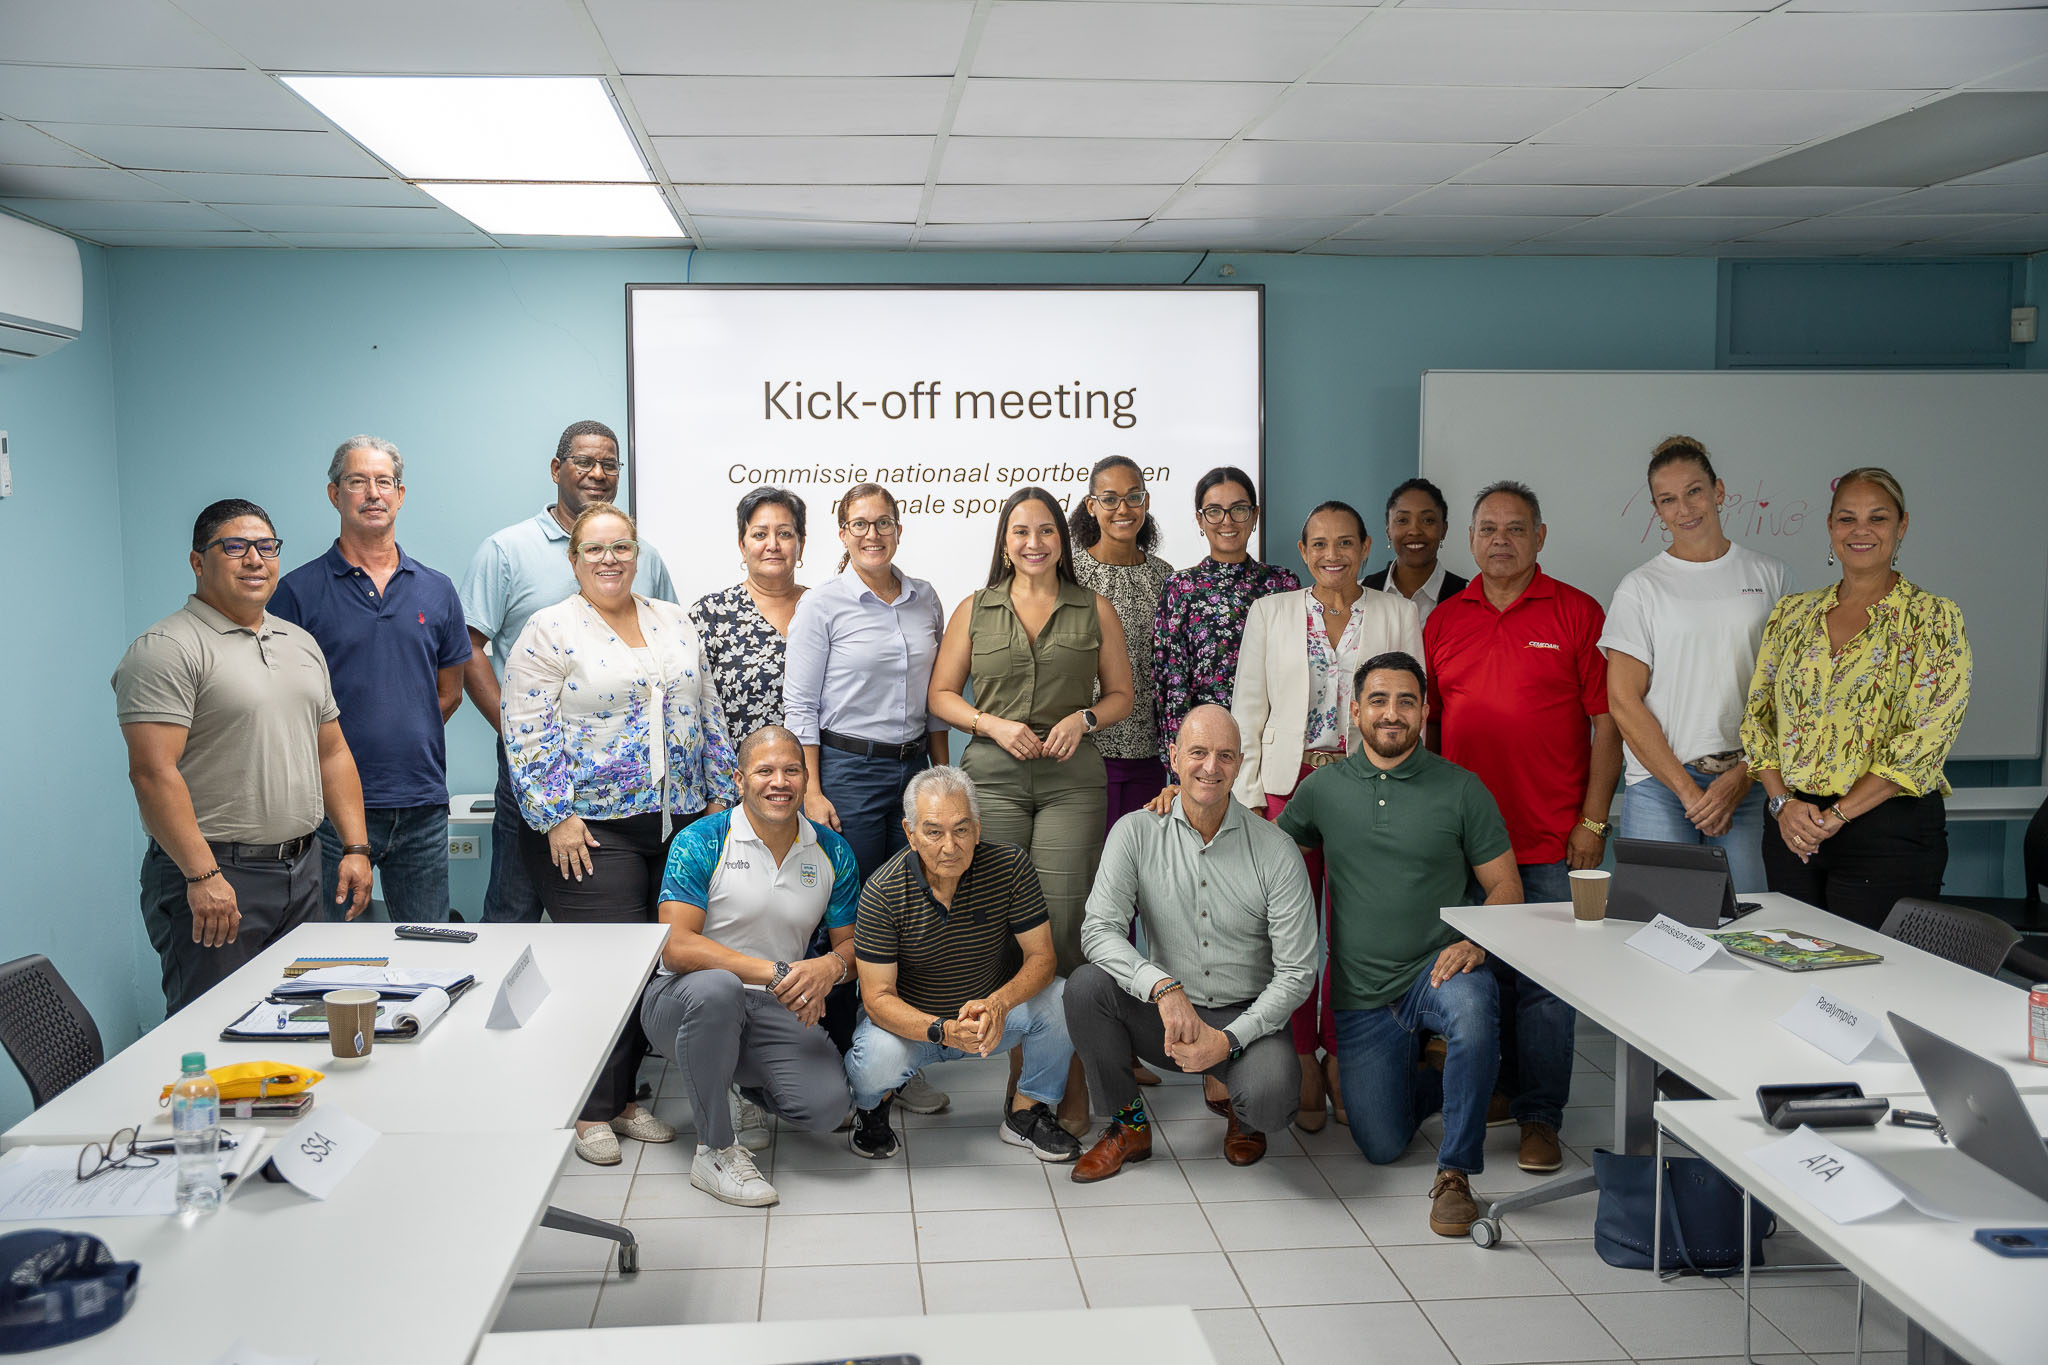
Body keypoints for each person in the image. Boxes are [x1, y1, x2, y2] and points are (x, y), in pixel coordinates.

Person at [502, 501, 734, 1165]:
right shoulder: (550, 629)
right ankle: (590, 1109)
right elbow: (526, 727)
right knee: (603, 968)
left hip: (679, 821)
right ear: (574, 560)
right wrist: (555, 815)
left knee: (654, 963)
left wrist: (720, 803)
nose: (610, 559)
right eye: (596, 549)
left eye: (622, 548)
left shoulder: (673, 620)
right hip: (588, 828)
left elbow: (708, 711)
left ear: (638, 554)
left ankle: (627, 1099)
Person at [1275, 652, 1520, 1238]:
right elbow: (1260, 853)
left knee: (1473, 1009)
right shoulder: (1321, 789)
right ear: (1354, 711)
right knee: (1380, 1146)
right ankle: (1467, 1079)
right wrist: (1179, 805)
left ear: (1425, 712)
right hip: (1361, 993)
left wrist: (1476, 944)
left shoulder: (1462, 789)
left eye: (1406, 701)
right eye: (1379, 701)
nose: (1392, 713)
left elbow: (1506, 885)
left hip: (1439, 971)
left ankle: (1456, 1174)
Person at [1423, 480, 1620, 1175]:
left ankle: (1542, 1116)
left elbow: (1607, 724)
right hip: (1467, 841)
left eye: (1515, 528)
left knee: (1545, 988)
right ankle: (1502, 1090)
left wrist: (1593, 819)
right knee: (1484, 971)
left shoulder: (1577, 612)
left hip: (1550, 835)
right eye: (1487, 529)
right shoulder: (1446, 619)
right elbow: (1436, 727)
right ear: (1469, 540)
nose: (1500, 540)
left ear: (1540, 536)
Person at [928, 487, 1136, 1133]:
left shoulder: (1093, 607)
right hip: (993, 776)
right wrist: (988, 722)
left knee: (1068, 922)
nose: (1034, 542)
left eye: (1046, 530)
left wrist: (1086, 715)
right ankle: (1025, 1074)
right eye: (1021, 531)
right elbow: (940, 695)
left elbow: (1124, 695)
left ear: (1062, 539)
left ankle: (1066, 1078)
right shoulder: (975, 608)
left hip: (1072, 780)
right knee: (1003, 923)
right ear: (1005, 539)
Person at [114, 499, 374, 1012]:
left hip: (302, 871)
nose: (255, 559)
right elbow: (152, 774)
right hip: (216, 876)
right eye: (234, 547)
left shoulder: (299, 643)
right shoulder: (166, 648)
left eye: (266, 547)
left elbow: (333, 752)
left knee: (300, 1019)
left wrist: (356, 848)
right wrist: (203, 876)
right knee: (213, 1027)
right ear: (198, 562)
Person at [1233, 500, 1422, 1131]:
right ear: (1302, 548)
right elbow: (1248, 711)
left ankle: (1343, 1054)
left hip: (1368, 788)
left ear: (1368, 548)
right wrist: (1253, 799)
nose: (1332, 554)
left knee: (1356, 932)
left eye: (1345, 543)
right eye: (1319, 543)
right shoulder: (1272, 612)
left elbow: (1417, 713)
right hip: (1289, 791)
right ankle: (1300, 1057)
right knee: (1289, 933)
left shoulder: (1399, 612)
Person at [1066, 705, 1316, 1179]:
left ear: (1240, 764)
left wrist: (1226, 1042)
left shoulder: (1275, 850)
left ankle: (1240, 1106)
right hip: (1166, 1015)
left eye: (1225, 755)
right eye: (1198, 752)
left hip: (1245, 1016)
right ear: (1174, 757)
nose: (1210, 766)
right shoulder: (1136, 832)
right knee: (1084, 986)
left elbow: (1297, 973)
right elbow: (1098, 929)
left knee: (1271, 1104)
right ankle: (1128, 1125)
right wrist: (1161, 986)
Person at [459, 419, 679, 924]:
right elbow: (469, 647)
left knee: (622, 918)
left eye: (609, 464)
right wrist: (520, 734)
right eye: (584, 461)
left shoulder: (646, 557)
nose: (597, 473)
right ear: (557, 469)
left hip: (631, 785)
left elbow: (670, 650)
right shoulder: (506, 550)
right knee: (514, 905)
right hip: (536, 759)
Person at [1741, 467, 1970, 931]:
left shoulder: (1933, 618)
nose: (1860, 530)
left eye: (1877, 518)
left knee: (1872, 982)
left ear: (1901, 526)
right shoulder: (1792, 613)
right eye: (1847, 518)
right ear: (1830, 528)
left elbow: (1925, 740)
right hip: (1793, 828)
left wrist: (1839, 815)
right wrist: (1782, 804)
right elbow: (1758, 719)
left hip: (1888, 832)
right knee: (1788, 971)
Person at [640, 727, 859, 1207]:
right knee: (718, 989)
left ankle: (731, 1083)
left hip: (770, 1006)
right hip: (682, 1001)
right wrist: (777, 971)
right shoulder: (700, 840)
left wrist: (829, 967)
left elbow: (852, 948)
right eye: (764, 771)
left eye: (791, 771)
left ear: (806, 779)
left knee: (827, 1107)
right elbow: (674, 947)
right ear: (740, 779)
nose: (778, 782)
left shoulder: (832, 851)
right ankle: (714, 1151)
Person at [270, 435, 471, 922]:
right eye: (358, 482)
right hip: (328, 812)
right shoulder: (296, 593)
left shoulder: (436, 589)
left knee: (427, 954)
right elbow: (281, 705)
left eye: (384, 482)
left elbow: (448, 693)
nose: (373, 493)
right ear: (335, 494)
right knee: (332, 961)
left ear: (400, 495)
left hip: (420, 802)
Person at [842, 766, 1081, 1164]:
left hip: (990, 1019)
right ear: (910, 832)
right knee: (875, 1061)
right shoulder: (882, 891)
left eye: (962, 829)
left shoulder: (1010, 866)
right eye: (934, 831)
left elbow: (1042, 957)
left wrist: (999, 1004)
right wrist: (946, 1031)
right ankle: (871, 1112)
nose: (950, 846)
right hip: (915, 1028)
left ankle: (1026, 1113)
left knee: (1064, 997)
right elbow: (877, 998)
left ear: (978, 827)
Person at [1602, 436, 1789, 894]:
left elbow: (1790, 694)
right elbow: (1623, 701)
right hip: (1661, 787)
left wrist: (1740, 777)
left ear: (1719, 491)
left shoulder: (1770, 576)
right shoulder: (1641, 587)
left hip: (1745, 785)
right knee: (1661, 928)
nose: (1684, 508)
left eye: (1694, 491)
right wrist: (1689, 791)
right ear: (1657, 510)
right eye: (1668, 499)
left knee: (1745, 926)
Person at [783, 483, 949, 879]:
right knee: (855, 895)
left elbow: (935, 698)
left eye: (883, 523)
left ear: (898, 530)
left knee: (913, 890)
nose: (872, 535)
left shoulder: (925, 597)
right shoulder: (821, 603)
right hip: (849, 771)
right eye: (859, 524)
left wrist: (944, 775)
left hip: (916, 769)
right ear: (842, 534)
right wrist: (812, 792)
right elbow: (801, 705)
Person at [1152, 465, 1299, 756]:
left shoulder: (1282, 584)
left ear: (1254, 515)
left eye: (1239, 509)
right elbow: (1172, 685)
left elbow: (1294, 674)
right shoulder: (1181, 587)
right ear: (1200, 519)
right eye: (1214, 511)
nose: (1227, 521)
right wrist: (1180, 761)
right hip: (1206, 746)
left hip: (1271, 742)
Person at [1067, 456, 1175, 831]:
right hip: (1086, 752)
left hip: (1150, 755)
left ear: (1146, 503)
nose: (1123, 509)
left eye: (1134, 497)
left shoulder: (1165, 577)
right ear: (1091, 506)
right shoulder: (1070, 576)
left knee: (1138, 870)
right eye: (1110, 499)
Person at [689, 487, 809, 767]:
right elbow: (694, 711)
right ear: (742, 546)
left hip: (816, 784)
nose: (773, 544)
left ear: (801, 543)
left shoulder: (824, 610)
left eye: (785, 533)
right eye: (759, 534)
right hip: (738, 783)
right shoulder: (711, 615)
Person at [1363, 477, 1468, 623]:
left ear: (1443, 530)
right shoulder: (1361, 593)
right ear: (1388, 530)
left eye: (1428, 520)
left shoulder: (1468, 596)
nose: (1414, 531)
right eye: (1403, 520)